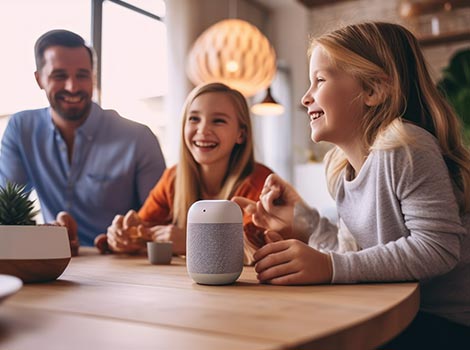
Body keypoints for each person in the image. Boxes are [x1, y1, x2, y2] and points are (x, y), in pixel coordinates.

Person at [233, 22, 470, 346]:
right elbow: (354, 255)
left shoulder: (405, 146)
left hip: (447, 324)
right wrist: (302, 220)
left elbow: (438, 249)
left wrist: (330, 267)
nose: (305, 98)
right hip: (403, 314)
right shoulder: (342, 169)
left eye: (319, 80)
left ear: (372, 90)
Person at [0, 29, 166, 251]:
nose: (73, 87)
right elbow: (7, 214)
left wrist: (126, 236)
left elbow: (160, 225)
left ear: (93, 77)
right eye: (59, 75)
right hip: (53, 262)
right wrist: (45, 234)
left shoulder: (139, 138)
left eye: (82, 75)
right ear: (39, 79)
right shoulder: (21, 128)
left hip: (122, 263)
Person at [102, 82, 272, 265]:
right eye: (194, 119)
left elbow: (255, 250)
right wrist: (123, 238)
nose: (203, 130)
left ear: (241, 134)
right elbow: (142, 231)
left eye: (218, 120)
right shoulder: (172, 179)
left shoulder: (260, 183)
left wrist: (193, 242)